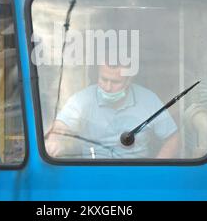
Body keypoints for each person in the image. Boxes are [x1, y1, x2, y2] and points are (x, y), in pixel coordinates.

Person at [45, 64, 179, 159]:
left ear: (128, 81)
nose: (107, 87)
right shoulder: (82, 99)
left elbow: (173, 138)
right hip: (92, 173)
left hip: (137, 173)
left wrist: (155, 171)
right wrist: (54, 140)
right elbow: (61, 126)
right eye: (103, 79)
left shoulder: (149, 100)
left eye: (115, 82)